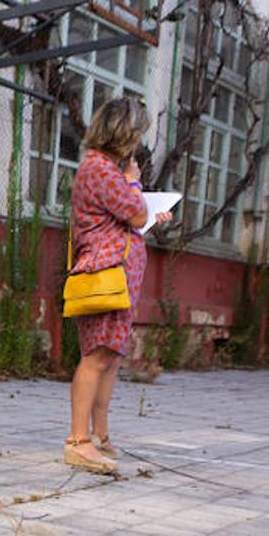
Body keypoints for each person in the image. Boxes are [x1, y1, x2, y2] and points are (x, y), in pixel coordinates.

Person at [65, 97, 173, 474]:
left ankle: (100, 435)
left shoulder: (104, 170)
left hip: (119, 277)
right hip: (105, 274)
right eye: (138, 133)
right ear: (124, 133)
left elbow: (131, 219)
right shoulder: (100, 170)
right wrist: (133, 183)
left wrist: (146, 216)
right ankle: (78, 441)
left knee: (109, 358)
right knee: (96, 357)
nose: (139, 143)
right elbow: (135, 210)